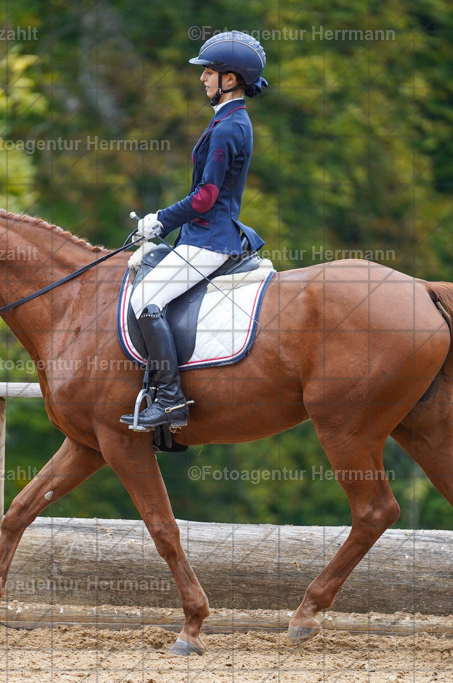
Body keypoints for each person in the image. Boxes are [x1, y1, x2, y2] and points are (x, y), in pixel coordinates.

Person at [121, 31, 269, 431]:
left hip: (210, 239)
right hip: (203, 235)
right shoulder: (227, 119)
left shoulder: (228, 127)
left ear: (231, 79)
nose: (202, 78)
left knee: (145, 300)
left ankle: (170, 402)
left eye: (209, 72)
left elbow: (204, 198)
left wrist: (159, 220)